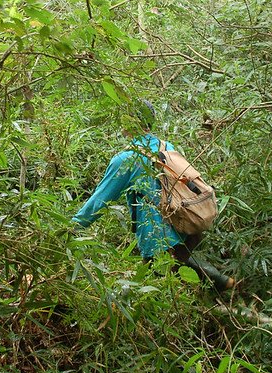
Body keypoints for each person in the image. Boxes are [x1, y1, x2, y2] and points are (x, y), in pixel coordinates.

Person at [71, 100, 234, 292]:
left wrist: (72, 228)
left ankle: (213, 294)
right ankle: (221, 282)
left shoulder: (126, 159)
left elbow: (100, 200)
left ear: (128, 121)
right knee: (178, 264)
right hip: (186, 224)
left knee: (156, 287)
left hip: (156, 234)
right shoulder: (167, 146)